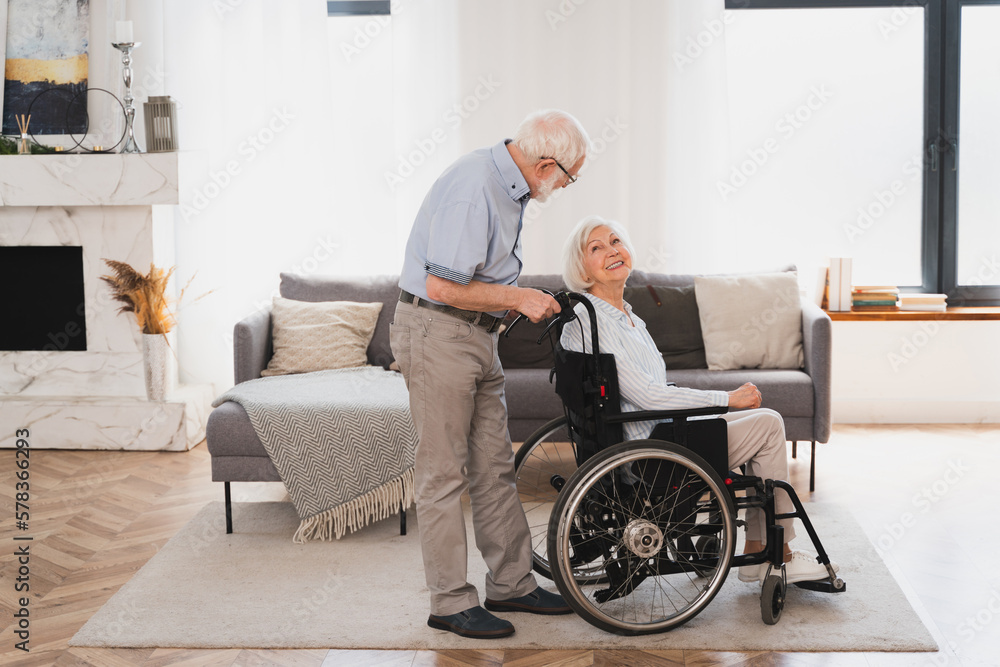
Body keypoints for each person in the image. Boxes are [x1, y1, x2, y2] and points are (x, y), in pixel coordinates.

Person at [389, 110, 590, 639]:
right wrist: (520, 297)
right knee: (442, 473)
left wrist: (508, 309)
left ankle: (513, 584)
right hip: (439, 331)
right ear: (548, 164)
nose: (565, 187)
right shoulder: (475, 184)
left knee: (495, 466)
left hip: (477, 336)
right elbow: (442, 286)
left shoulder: (510, 189)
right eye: (569, 178)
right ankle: (450, 602)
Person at [559, 215, 839, 584]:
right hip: (651, 450)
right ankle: (774, 553)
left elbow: (652, 388)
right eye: (596, 248)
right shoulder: (593, 322)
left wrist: (715, 402)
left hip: (655, 432)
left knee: (768, 419)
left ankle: (762, 549)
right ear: (582, 268)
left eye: (615, 241)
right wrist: (726, 399)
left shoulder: (625, 316)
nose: (612, 251)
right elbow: (646, 395)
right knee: (769, 427)